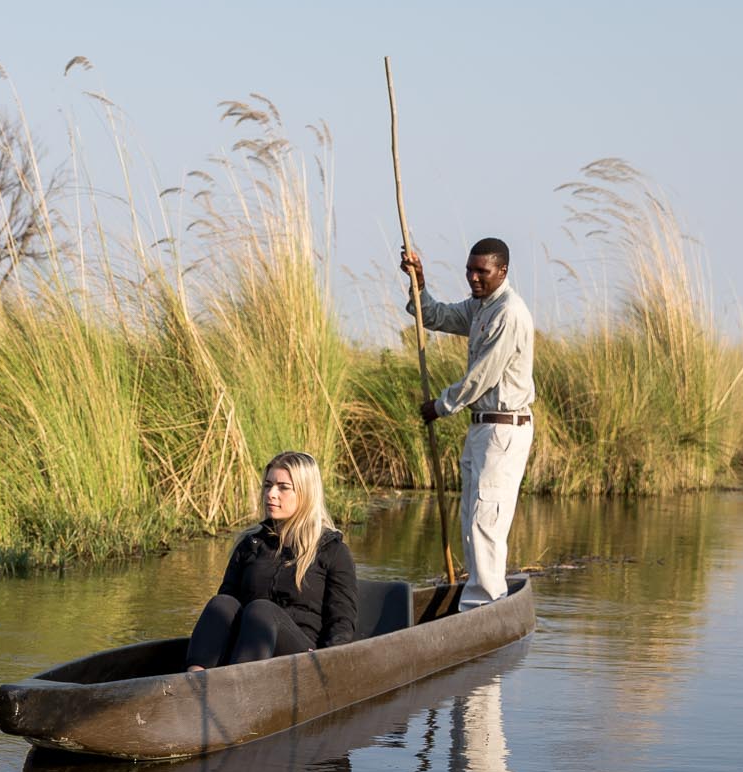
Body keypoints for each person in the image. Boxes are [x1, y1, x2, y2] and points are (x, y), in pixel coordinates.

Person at [399, 237, 535, 609]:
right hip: (481, 428)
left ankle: (485, 607)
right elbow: (436, 316)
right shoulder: (480, 306)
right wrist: (418, 282)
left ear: (502, 271)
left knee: (486, 520)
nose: (474, 278)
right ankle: (475, 599)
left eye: (482, 271)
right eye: (469, 270)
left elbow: (483, 375)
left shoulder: (509, 312)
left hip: (504, 429)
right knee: (470, 520)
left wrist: (441, 405)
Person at [185, 451, 357, 670]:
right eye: (268, 486)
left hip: (302, 656)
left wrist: (326, 663)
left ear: (305, 493)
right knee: (221, 604)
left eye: (283, 487)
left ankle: (238, 682)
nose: (271, 494)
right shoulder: (250, 544)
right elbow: (226, 612)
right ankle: (194, 679)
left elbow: (342, 622)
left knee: (262, 610)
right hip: (248, 647)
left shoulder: (333, 551)